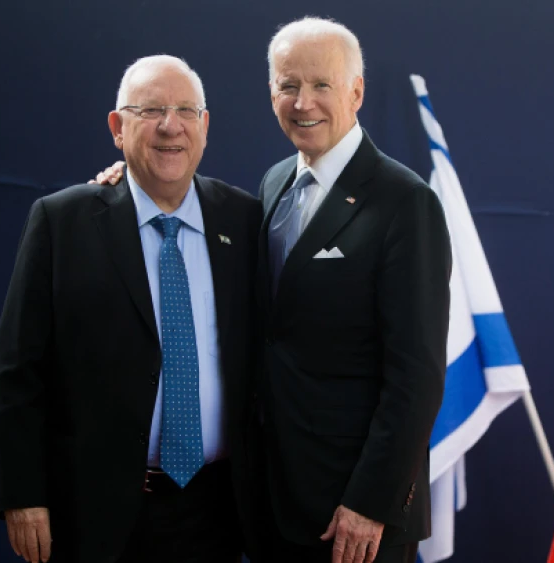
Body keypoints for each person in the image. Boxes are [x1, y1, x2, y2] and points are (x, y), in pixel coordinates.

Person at [93, 18, 451, 563]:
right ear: (271, 93)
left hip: (352, 516)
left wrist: (371, 502)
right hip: (270, 504)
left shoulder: (406, 203)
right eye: (288, 85)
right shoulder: (273, 183)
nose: (303, 101)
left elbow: (417, 376)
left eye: (321, 85)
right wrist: (130, 178)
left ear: (356, 91)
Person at [0, 55, 262, 563]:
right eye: (150, 110)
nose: (170, 126)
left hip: (219, 513)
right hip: (96, 514)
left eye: (185, 111)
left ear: (205, 126)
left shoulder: (245, 221)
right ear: (117, 128)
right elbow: (16, 372)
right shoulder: (62, 222)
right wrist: (22, 495)